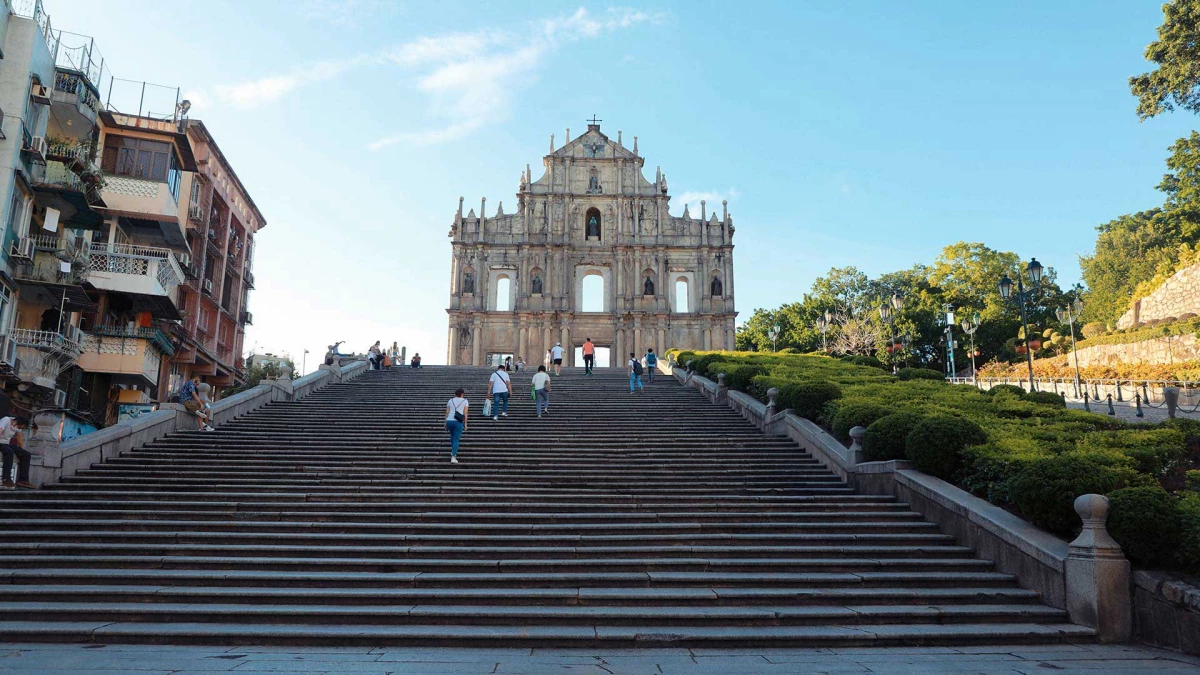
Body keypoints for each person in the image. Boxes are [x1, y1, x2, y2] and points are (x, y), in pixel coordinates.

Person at [0, 415, 33, 489]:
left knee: (26, 454)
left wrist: (22, 450)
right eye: (19, 427)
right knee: (9, 452)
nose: (18, 428)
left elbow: (19, 437)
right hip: (0, 442)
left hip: (6, 444)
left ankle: (23, 480)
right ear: (16, 422)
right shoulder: (6, 420)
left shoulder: (18, 427)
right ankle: (6, 479)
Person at [444, 388, 469, 464]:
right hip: (458, 421)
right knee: (456, 439)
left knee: (452, 436)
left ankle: (453, 450)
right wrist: (465, 424)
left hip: (449, 421)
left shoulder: (450, 400)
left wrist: (445, 422)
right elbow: (465, 413)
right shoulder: (465, 401)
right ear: (462, 394)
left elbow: (447, 412)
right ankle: (453, 456)